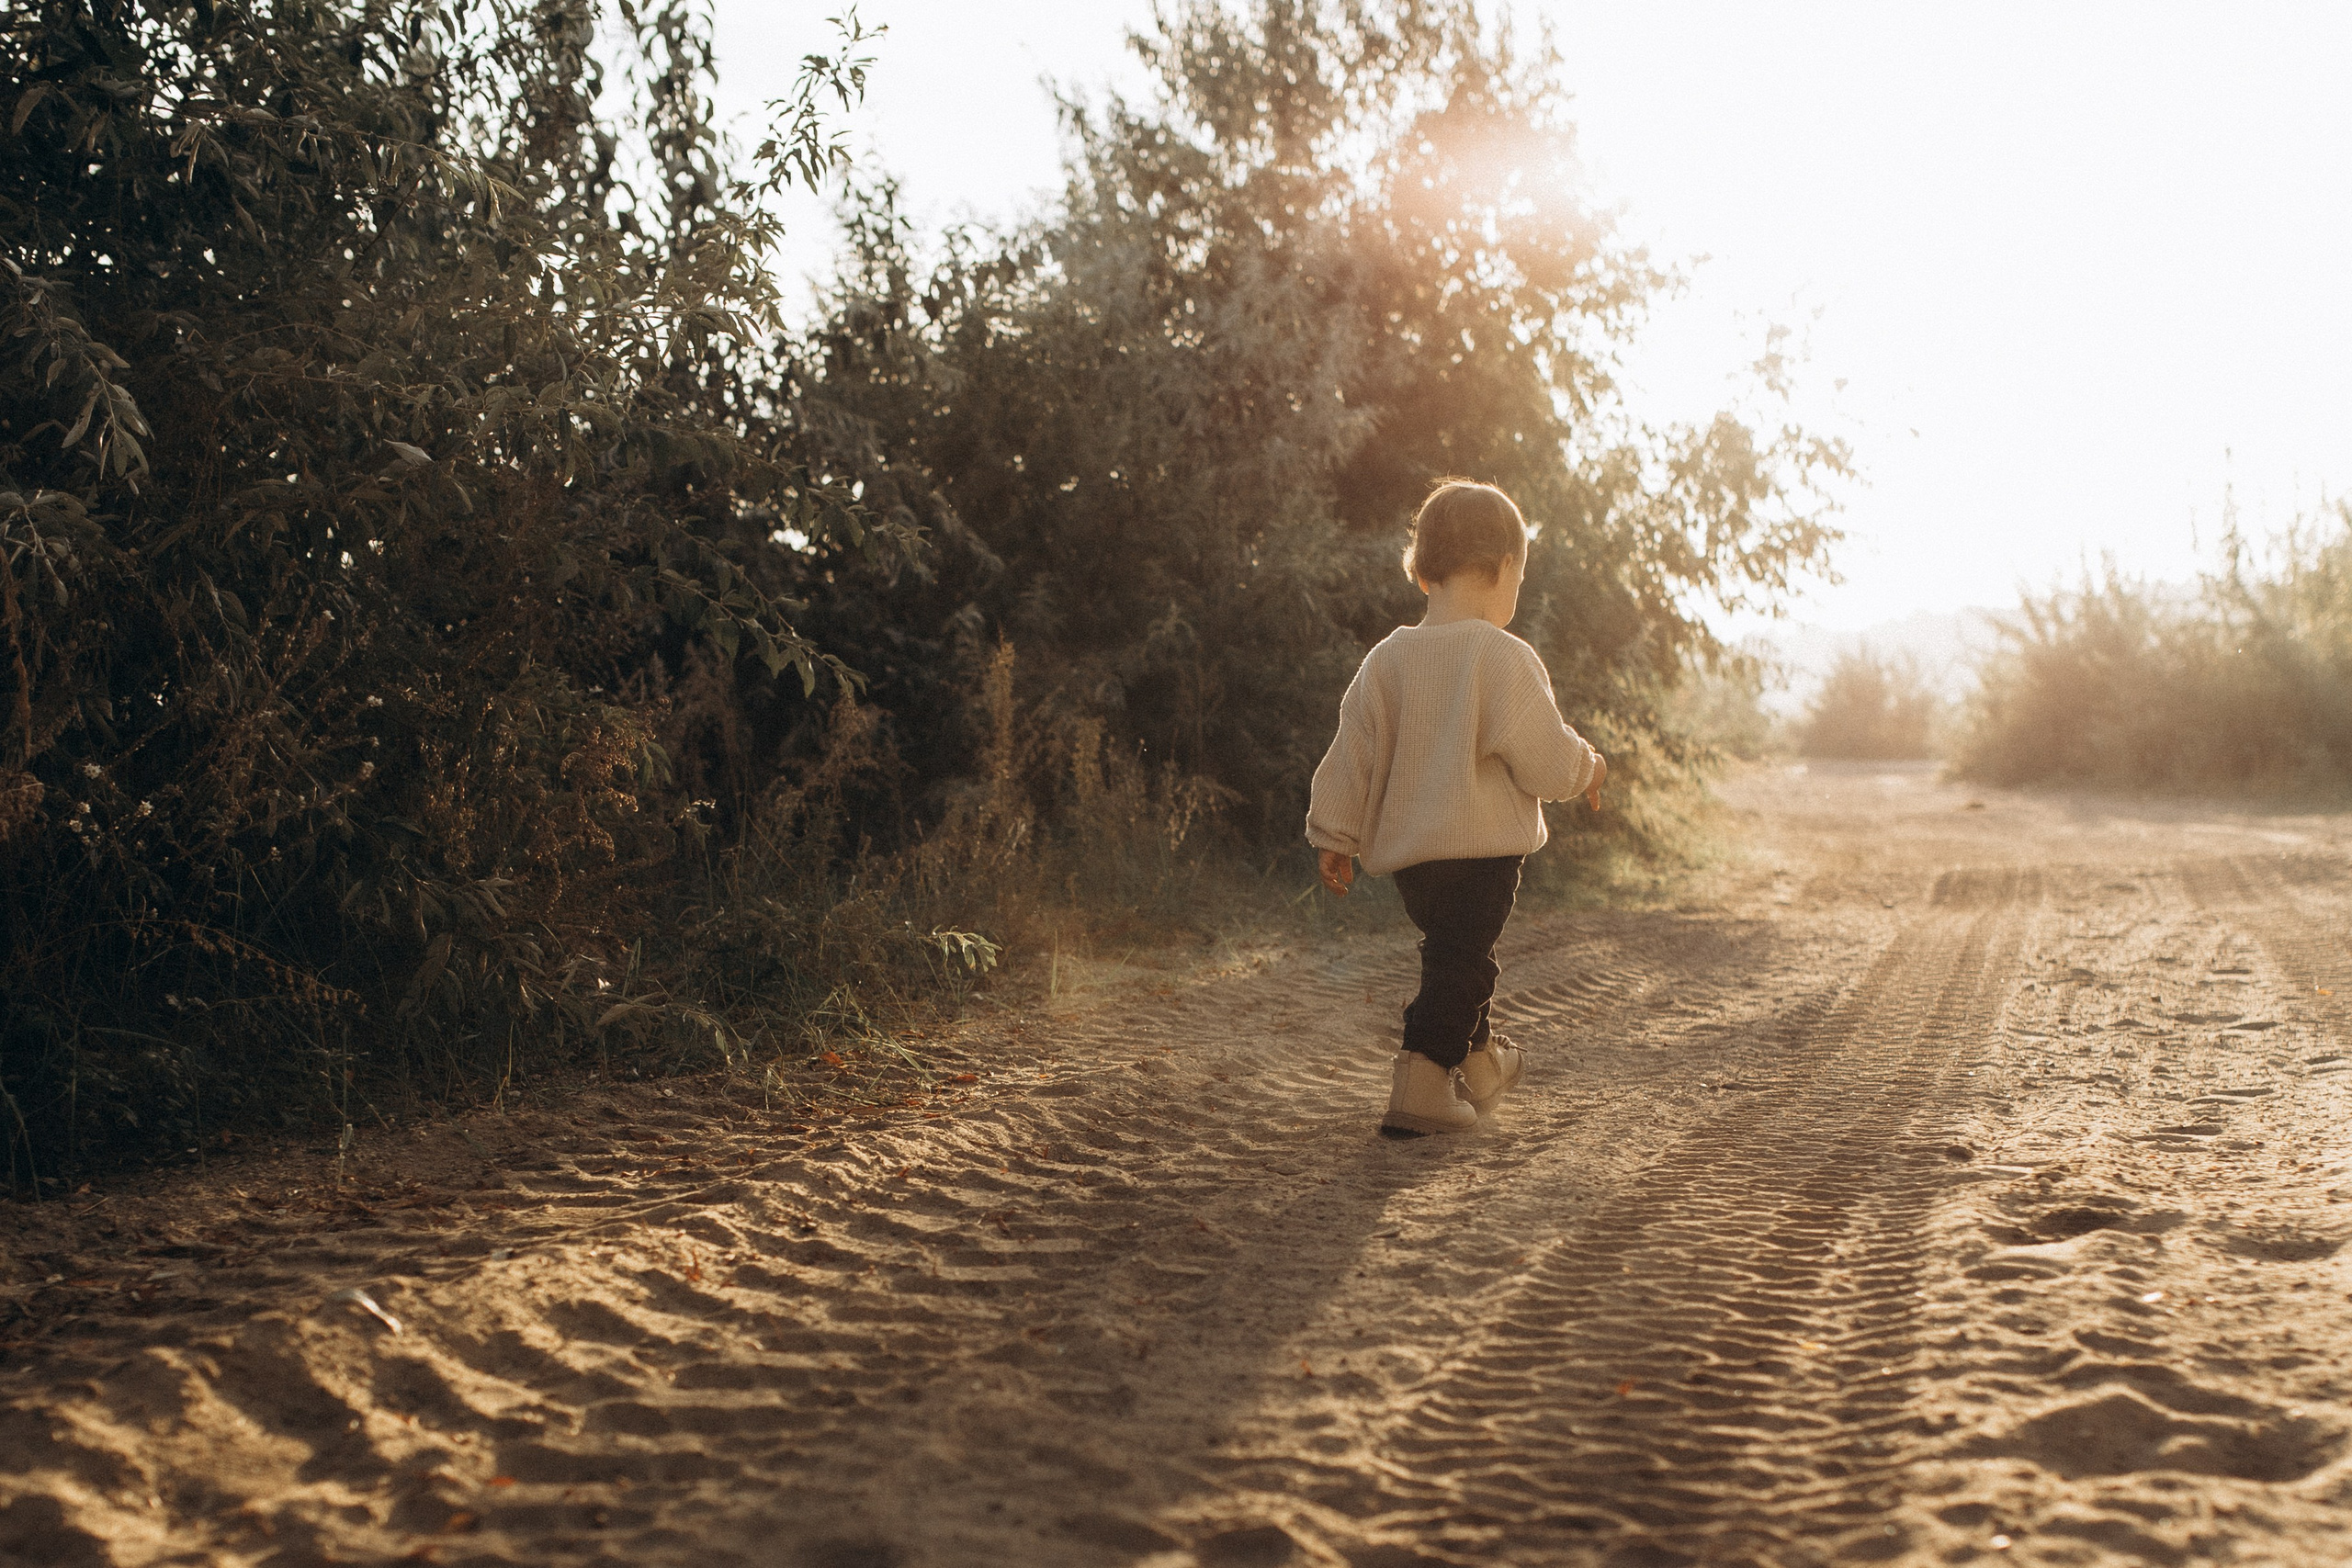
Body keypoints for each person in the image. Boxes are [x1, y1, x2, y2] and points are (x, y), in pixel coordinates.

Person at [1306, 479, 1606, 1137]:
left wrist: (1335, 833)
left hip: (1415, 865)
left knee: (1453, 951)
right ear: (1505, 570)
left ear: (1422, 574)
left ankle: (1481, 1064)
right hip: (1482, 857)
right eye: (1518, 579)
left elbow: (1351, 750)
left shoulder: (1385, 660)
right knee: (1464, 962)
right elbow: (1546, 756)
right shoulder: (1501, 656)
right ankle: (1422, 1077)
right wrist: (1588, 765)